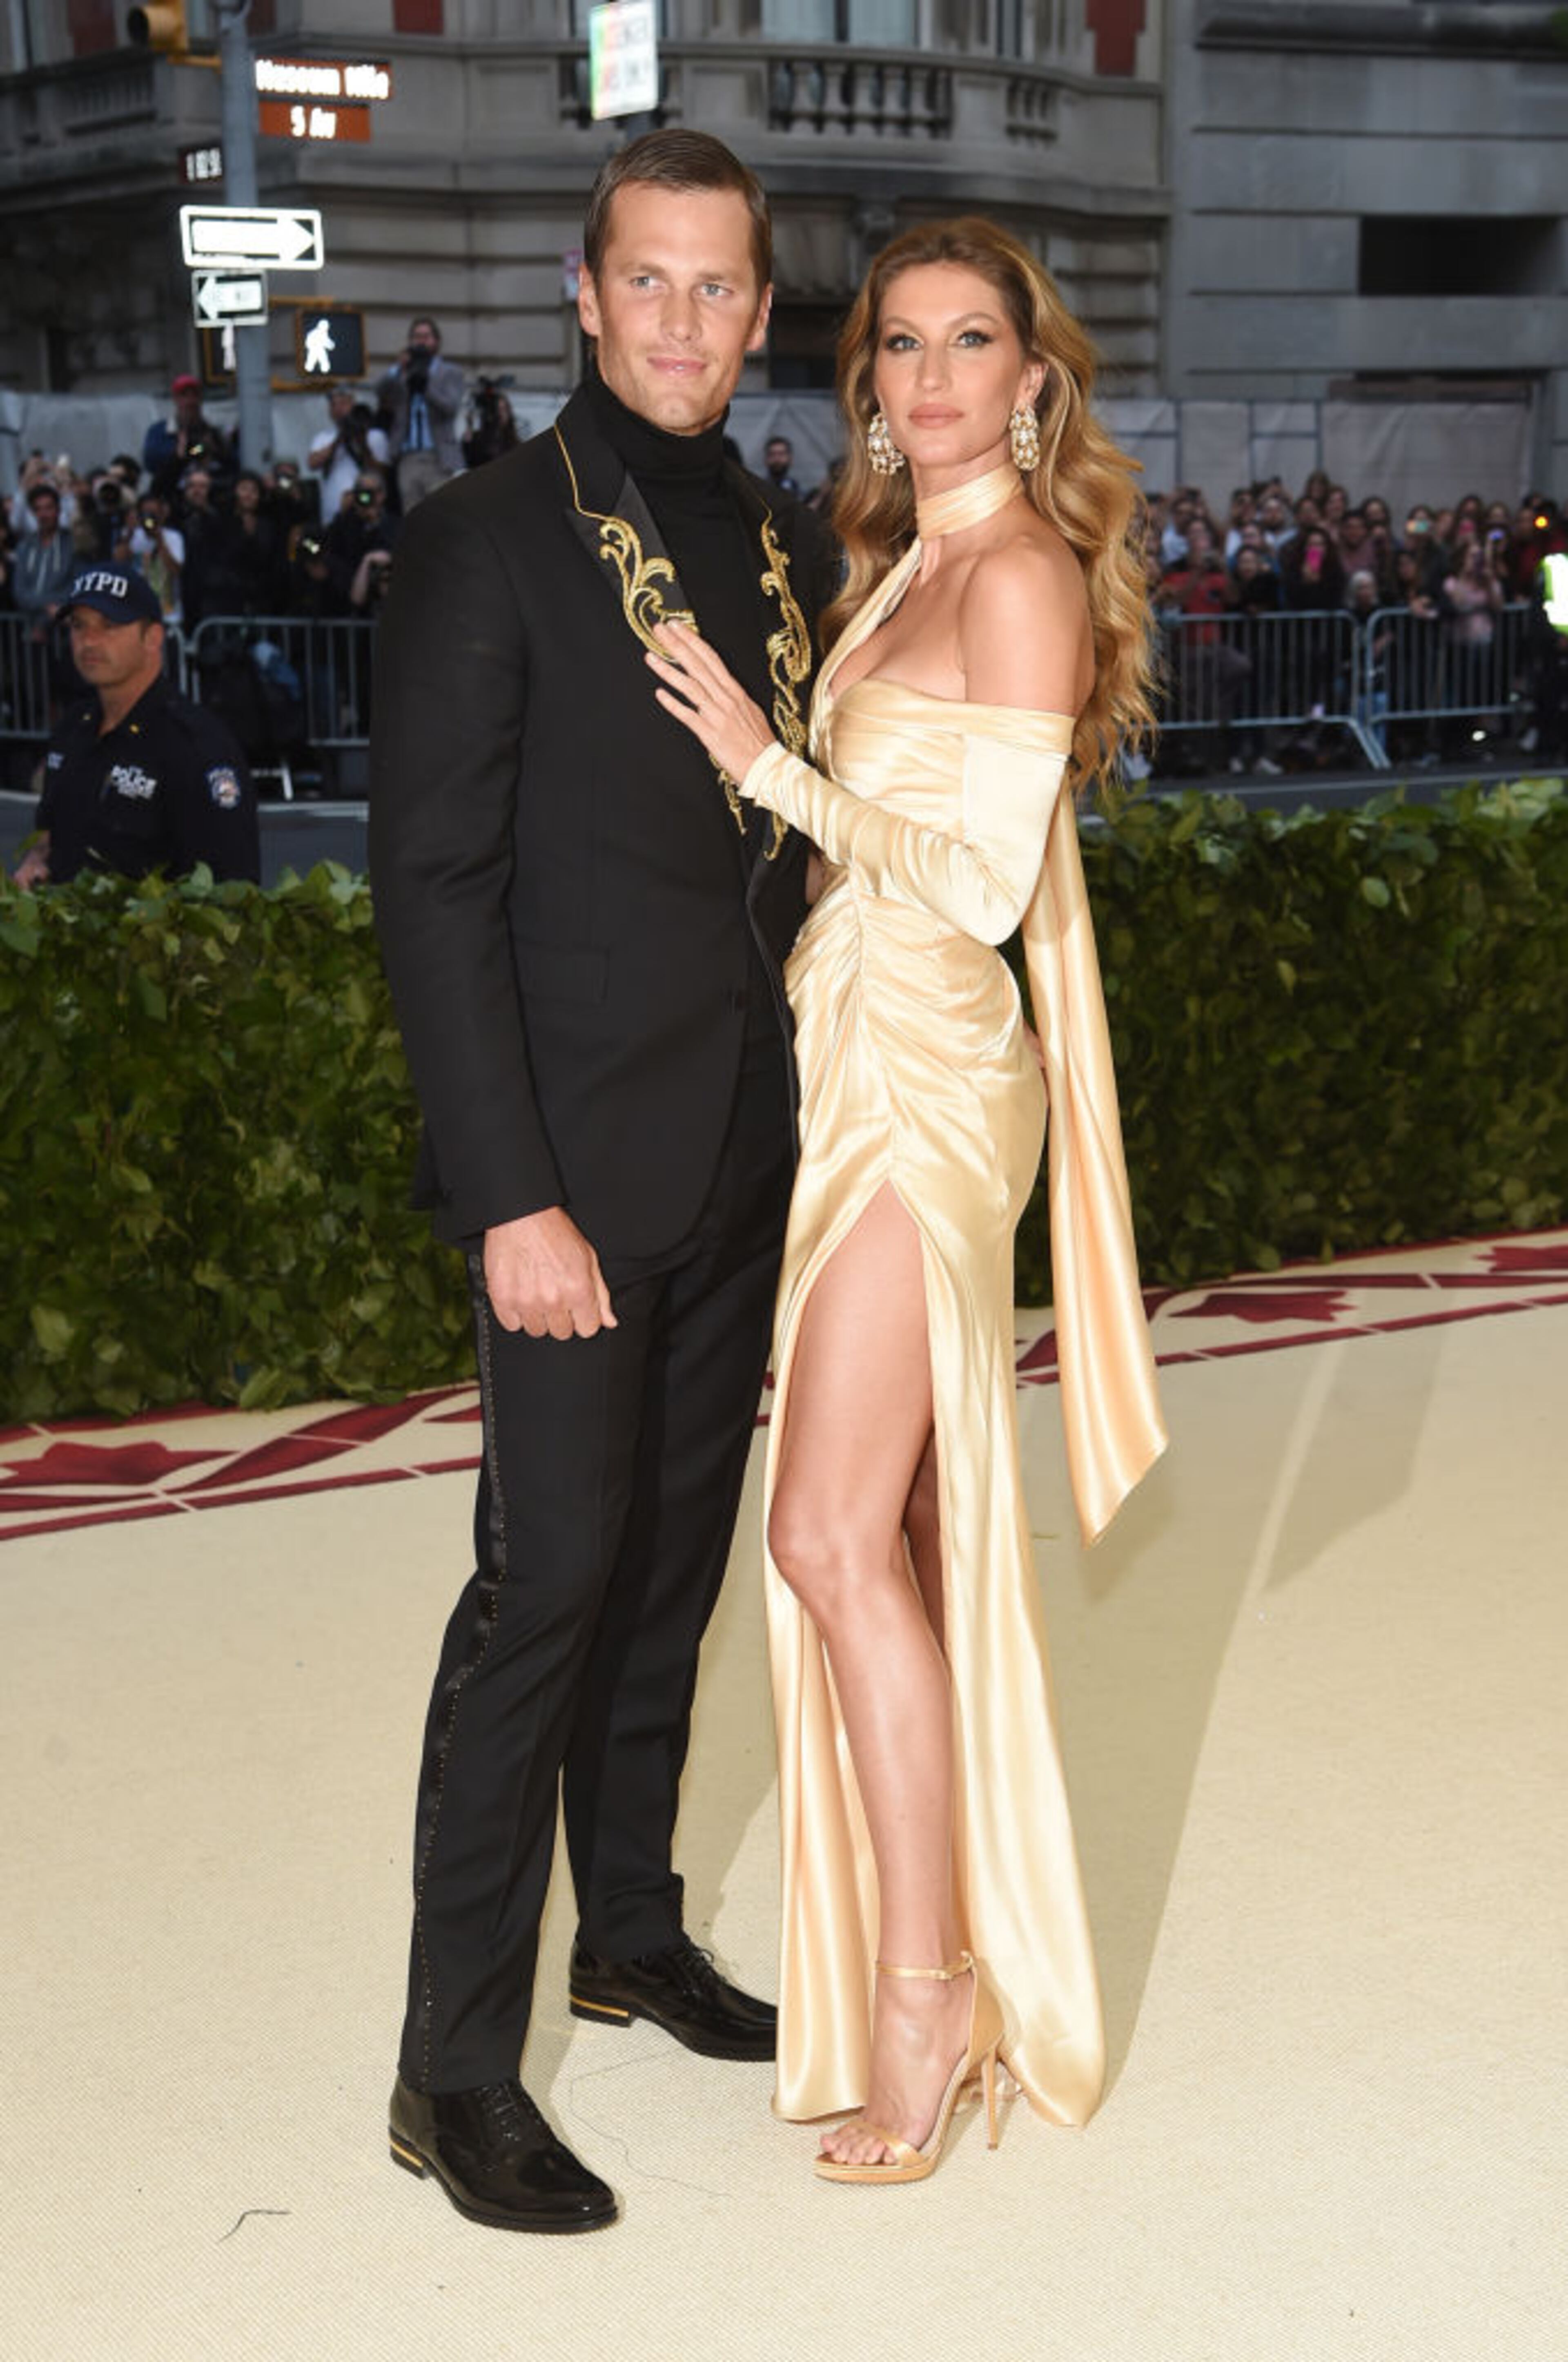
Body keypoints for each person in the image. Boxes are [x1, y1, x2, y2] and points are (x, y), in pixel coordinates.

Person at [648, 216, 1165, 2184]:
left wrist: (770, 771)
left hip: (932, 1081)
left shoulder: (1019, 574)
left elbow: (971, 889)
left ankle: (928, 1995)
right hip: (851, 1053)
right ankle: (933, 1969)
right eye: (901, 346)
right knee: (887, 1537)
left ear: (1034, 379)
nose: (933, 376)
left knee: (822, 1530)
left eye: (974, 343)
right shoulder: (905, 563)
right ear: (867, 378)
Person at [369, 130, 833, 2235]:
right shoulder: (484, 544)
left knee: (669, 1568)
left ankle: (628, 1926)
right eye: (642, 283)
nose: (679, 322)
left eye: (715, 288)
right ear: (582, 291)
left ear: (759, 308)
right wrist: (508, 1199)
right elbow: (436, 896)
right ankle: (452, 2067)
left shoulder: (775, 535)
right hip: (569, 1179)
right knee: (542, 1587)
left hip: (744, 1150)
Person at [11, 566, 258, 889]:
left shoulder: (197, 746)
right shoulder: (72, 729)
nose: (89, 641)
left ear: (153, 638)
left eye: (109, 626)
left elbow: (233, 893)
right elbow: (50, 834)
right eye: (78, 626)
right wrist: (36, 860)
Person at [375, 317, 464, 511]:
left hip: (438, 458)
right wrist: (398, 368)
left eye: (427, 336)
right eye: (417, 337)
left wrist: (426, 388)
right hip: (409, 457)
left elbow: (450, 408)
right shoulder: (402, 373)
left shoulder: (450, 372)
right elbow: (381, 392)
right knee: (412, 518)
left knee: (441, 516)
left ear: (437, 341)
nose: (422, 341)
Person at [141, 372, 233, 502]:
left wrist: (215, 449)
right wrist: (178, 453)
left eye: (195, 395)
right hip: (172, 497)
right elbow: (151, 462)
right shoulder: (160, 432)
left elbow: (229, 463)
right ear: (176, 399)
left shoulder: (213, 432)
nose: (190, 402)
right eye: (184, 395)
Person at [307, 386, 391, 523]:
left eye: (343, 403)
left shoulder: (375, 436)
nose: (338, 409)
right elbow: (312, 464)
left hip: (368, 509)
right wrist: (339, 440)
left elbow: (381, 472)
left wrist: (363, 443)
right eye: (333, 405)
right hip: (333, 511)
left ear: (353, 404)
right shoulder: (324, 438)